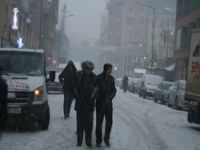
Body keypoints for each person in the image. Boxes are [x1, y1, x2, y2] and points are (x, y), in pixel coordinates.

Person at [74, 61, 96, 147]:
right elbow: (74, 87)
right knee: (80, 124)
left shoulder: (94, 77)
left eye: (90, 69)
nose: (89, 71)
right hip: (80, 104)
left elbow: (97, 89)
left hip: (90, 104)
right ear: (83, 68)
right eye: (87, 69)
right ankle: (79, 141)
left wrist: (93, 95)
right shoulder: (78, 75)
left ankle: (88, 141)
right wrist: (78, 96)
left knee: (89, 125)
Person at [95, 64, 117, 147]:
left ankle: (106, 139)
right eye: (110, 69)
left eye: (111, 70)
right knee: (99, 123)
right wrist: (99, 96)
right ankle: (98, 140)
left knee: (109, 122)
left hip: (108, 104)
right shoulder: (98, 78)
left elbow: (114, 90)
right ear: (105, 70)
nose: (111, 71)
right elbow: (95, 89)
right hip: (100, 104)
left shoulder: (112, 79)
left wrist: (110, 97)